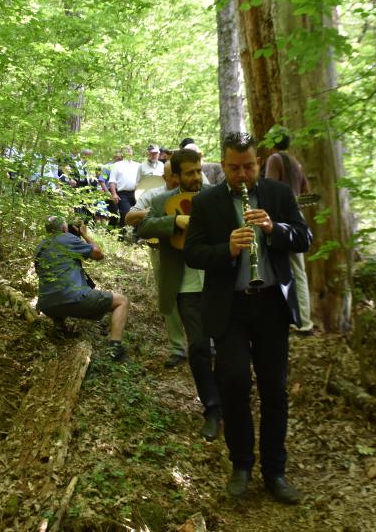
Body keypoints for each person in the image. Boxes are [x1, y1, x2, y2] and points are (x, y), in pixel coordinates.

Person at [184, 133, 311, 504]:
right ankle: (241, 464)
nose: (243, 175)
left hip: (271, 304)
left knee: (274, 389)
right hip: (231, 308)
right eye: (235, 168)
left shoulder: (278, 194)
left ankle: (275, 471)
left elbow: (304, 237)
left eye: (250, 166)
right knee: (235, 382)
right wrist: (228, 248)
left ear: (259, 162)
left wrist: (274, 230)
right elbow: (193, 253)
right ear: (223, 166)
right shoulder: (207, 201)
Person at [138, 149, 222, 440]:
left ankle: (228, 399)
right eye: (189, 173)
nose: (196, 177)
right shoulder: (163, 200)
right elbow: (142, 226)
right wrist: (174, 223)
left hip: (218, 281)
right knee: (198, 348)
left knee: (224, 346)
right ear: (176, 175)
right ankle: (212, 408)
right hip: (186, 286)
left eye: (198, 171)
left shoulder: (218, 195)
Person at [35, 216, 130, 361]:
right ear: (64, 228)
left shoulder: (40, 246)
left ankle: (59, 327)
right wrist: (85, 234)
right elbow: (98, 254)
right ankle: (115, 348)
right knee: (122, 301)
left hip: (46, 305)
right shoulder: (66, 238)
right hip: (74, 299)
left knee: (56, 292)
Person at [126, 161, 189, 367]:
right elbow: (130, 217)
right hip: (162, 252)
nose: (176, 179)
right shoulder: (154, 195)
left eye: (178, 175)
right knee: (168, 298)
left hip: (193, 251)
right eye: (172, 175)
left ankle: (208, 342)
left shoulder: (195, 191)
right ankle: (178, 348)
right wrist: (157, 215)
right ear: (165, 177)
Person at [264, 132, 316, 336]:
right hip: (297, 219)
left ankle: (287, 319)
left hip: (278, 221)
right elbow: (306, 191)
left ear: (273, 144)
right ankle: (305, 322)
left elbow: (269, 188)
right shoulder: (296, 162)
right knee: (299, 273)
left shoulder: (274, 159)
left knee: (278, 269)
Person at [107, 145, 140, 227]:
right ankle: (123, 234)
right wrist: (114, 194)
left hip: (137, 193)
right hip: (122, 194)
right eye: (126, 150)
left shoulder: (138, 165)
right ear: (122, 153)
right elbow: (112, 181)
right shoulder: (116, 165)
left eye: (129, 150)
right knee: (126, 213)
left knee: (137, 214)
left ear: (132, 152)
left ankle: (134, 235)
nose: (128, 152)